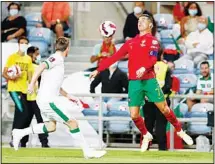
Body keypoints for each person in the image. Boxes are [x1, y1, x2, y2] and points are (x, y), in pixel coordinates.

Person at [90, 14, 193, 152]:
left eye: (143, 20)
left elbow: (152, 59)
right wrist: (98, 70)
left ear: (150, 25)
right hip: (134, 82)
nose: (140, 22)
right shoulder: (131, 42)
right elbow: (114, 57)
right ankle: (146, 135)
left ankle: (180, 131)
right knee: (134, 115)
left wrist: (144, 68)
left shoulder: (153, 41)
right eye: (139, 20)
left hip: (149, 80)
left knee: (164, 109)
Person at [12, 37, 106, 159]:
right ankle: (87, 152)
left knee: (51, 127)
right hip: (48, 101)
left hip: (44, 99)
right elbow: (41, 66)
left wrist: (68, 96)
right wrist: (31, 84)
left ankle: (19, 132)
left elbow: (56, 85)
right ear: (67, 49)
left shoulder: (58, 61)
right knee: (73, 123)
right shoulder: (56, 58)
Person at [2, 36, 32, 147]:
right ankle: (15, 138)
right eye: (21, 43)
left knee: (20, 114)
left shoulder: (28, 59)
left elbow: (29, 76)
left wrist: (31, 86)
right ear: (18, 44)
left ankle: (18, 139)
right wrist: (12, 77)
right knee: (24, 113)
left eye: (25, 43)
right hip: (14, 89)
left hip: (24, 90)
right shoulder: (12, 57)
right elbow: (4, 73)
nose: (23, 45)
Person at [142, 47, 172, 151]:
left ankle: (145, 148)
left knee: (148, 126)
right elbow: (168, 86)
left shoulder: (146, 66)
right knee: (161, 127)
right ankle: (162, 149)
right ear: (161, 55)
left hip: (149, 100)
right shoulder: (165, 67)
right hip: (162, 101)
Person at [26, 46, 49, 147]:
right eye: (37, 54)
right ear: (32, 54)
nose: (38, 56)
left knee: (40, 120)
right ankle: (22, 141)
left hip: (35, 97)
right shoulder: (30, 67)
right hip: (28, 97)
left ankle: (44, 142)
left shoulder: (36, 66)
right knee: (27, 121)